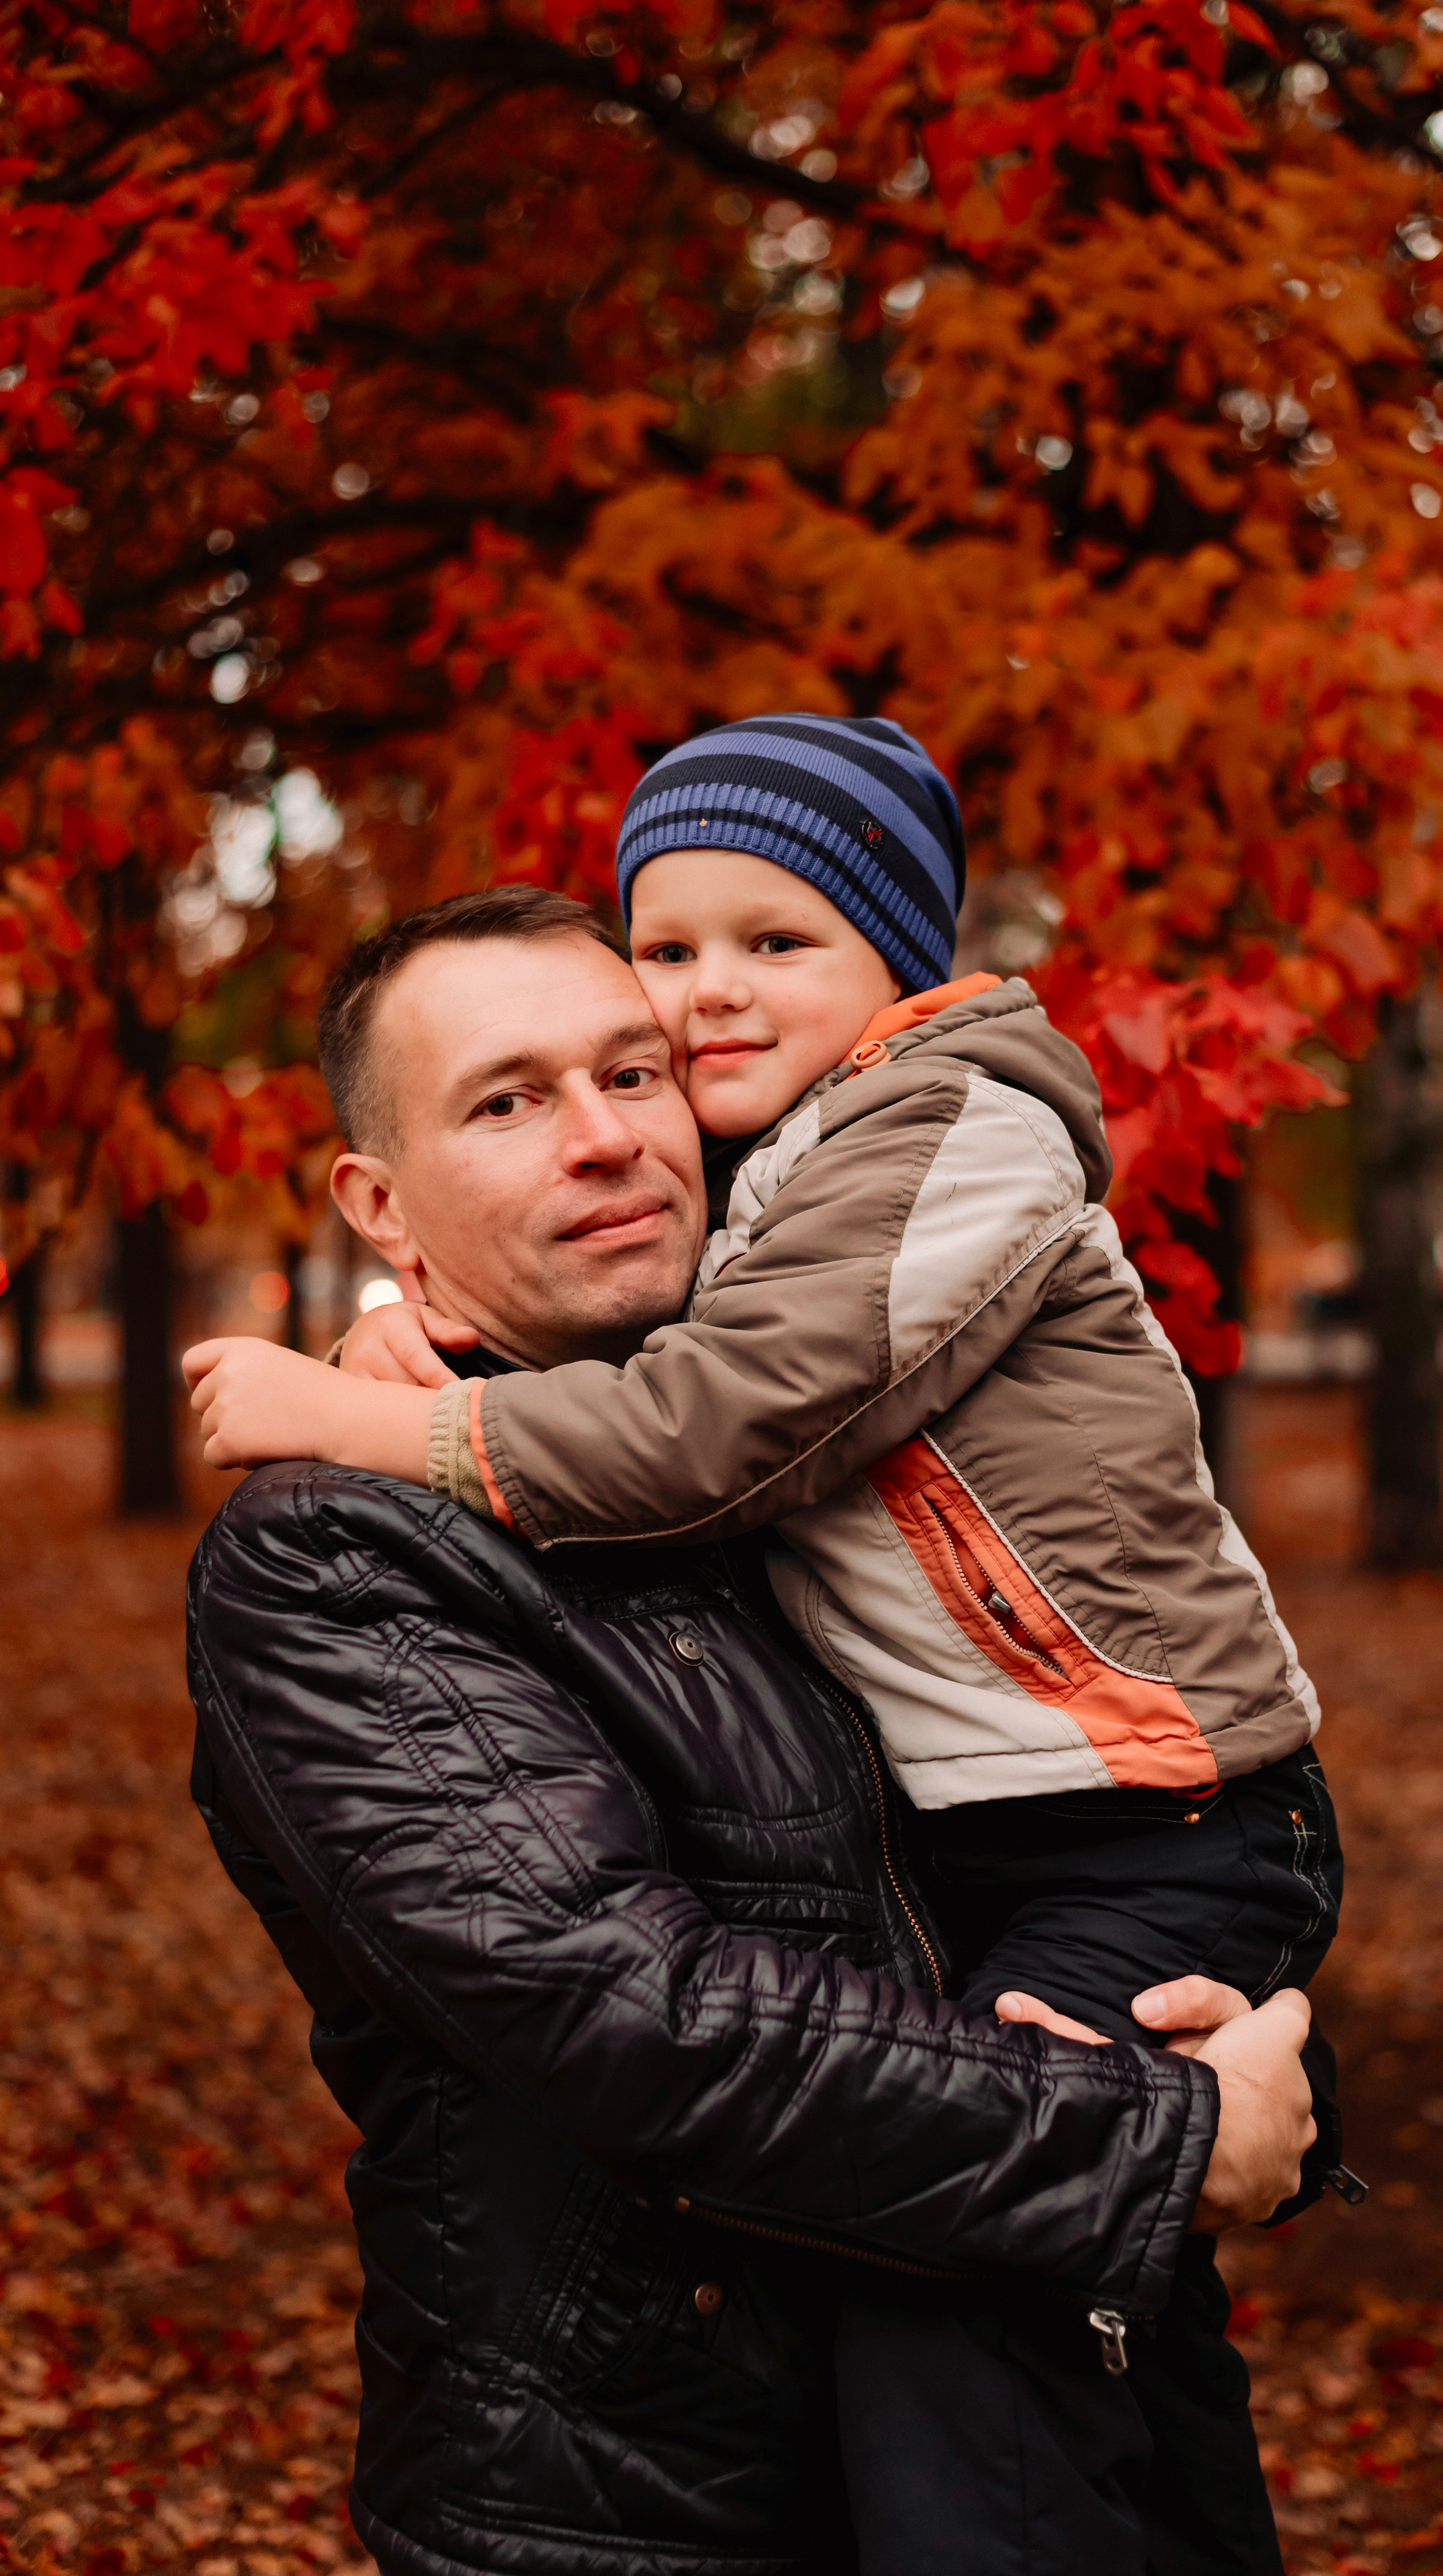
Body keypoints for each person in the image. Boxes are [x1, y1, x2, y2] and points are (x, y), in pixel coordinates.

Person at [184, 894, 1317, 2576]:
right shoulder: (338, 1557)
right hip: (656, 2505)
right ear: (379, 1206)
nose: (603, 1139)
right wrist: (1164, 2135)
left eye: (631, 1074)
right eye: (506, 1102)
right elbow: (635, 2015)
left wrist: (1229, 2047)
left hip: (1067, 2407)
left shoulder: (804, 1454)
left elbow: (1044, 1858)